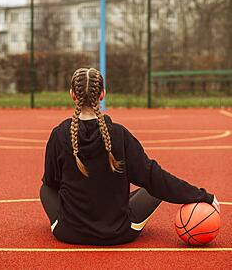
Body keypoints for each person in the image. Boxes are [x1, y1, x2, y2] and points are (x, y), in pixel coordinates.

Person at [40, 67, 220, 245]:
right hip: (118, 233)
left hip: (70, 233)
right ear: (102, 94)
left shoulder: (59, 134)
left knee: (46, 188)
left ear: (72, 95)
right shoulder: (119, 134)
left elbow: (51, 184)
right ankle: (111, 208)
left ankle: (71, 219)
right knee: (153, 188)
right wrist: (202, 196)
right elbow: (153, 177)